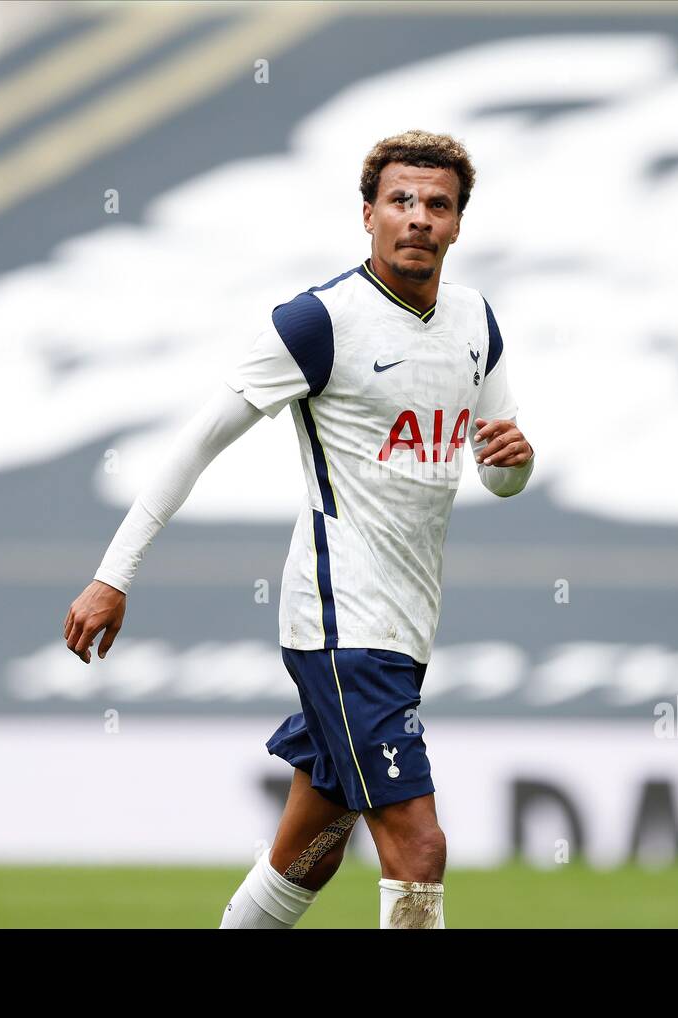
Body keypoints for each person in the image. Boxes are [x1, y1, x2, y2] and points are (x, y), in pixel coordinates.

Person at [62, 130, 534, 928]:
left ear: (458, 223)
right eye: (401, 201)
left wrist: (516, 462)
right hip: (341, 620)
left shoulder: (473, 322)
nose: (418, 217)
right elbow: (196, 443)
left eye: (437, 204)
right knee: (419, 848)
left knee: (308, 851)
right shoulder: (319, 322)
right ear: (368, 214)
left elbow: (499, 471)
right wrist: (114, 574)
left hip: (406, 627)